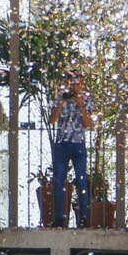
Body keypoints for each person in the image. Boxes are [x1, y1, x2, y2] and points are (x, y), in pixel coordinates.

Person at [47, 70, 93, 228]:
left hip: (78, 144)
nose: (75, 86)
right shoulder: (60, 96)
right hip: (62, 143)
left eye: (77, 83)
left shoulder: (86, 98)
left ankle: (83, 217)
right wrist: (62, 102)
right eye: (72, 83)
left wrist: (80, 104)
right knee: (59, 181)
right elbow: (52, 120)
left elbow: (87, 124)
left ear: (82, 83)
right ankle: (59, 218)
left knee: (81, 180)